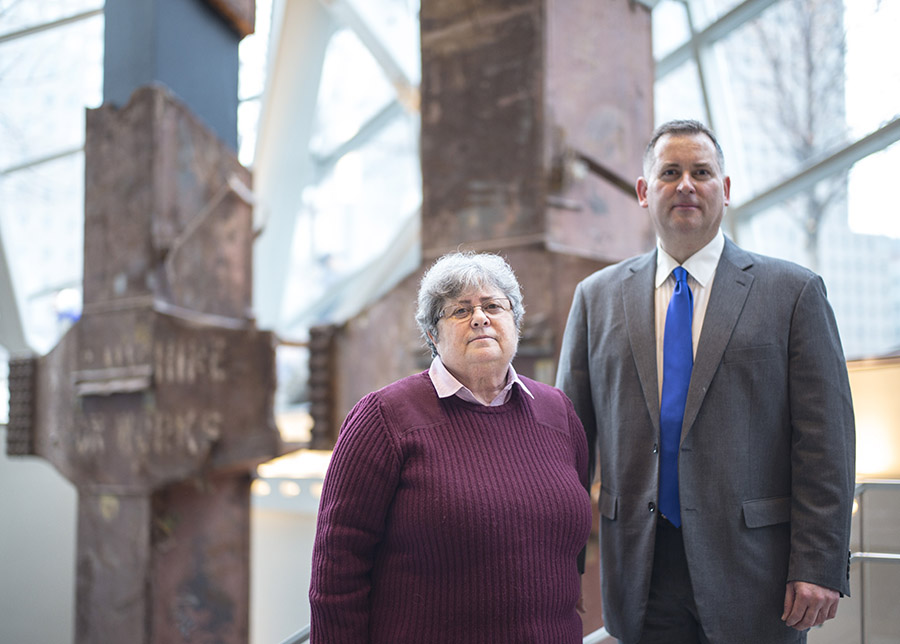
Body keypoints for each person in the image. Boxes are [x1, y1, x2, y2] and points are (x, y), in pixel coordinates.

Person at [556, 119, 855, 644]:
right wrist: (558, 561)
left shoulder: (794, 293)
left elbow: (826, 442)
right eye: (670, 172)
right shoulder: (595, 298)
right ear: (645, 192)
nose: (687, 184)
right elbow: (567, 447)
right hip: (640, 571)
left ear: (727, 189)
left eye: (702, 172)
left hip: (758, 572)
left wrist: (819, 562)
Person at [309, 251, 592, 643]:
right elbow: (337, 572)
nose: (480, 318)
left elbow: (568, 544)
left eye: (494, 306)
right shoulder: (384, 418)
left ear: (515, 321)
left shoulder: (557, 412)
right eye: (459, 311)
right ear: (431, 334)